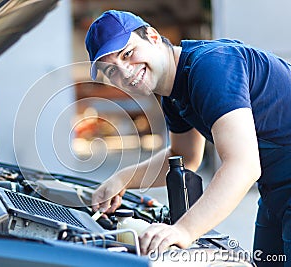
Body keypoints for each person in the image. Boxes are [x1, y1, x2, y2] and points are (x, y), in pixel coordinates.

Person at [85, 10, 291, 265]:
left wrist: (184, 230)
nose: (124, 73)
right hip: (275, 193)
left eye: (128, 53)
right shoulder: (174, 94)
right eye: (111, 70)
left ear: (152, 36)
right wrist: (121, 179)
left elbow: (243, 165)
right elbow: (184, 157)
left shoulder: (211, 68)